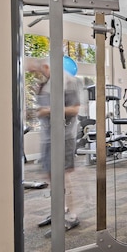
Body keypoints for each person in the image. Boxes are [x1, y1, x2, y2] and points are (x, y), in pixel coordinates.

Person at [26, 57, 82, 236]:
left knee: (63, 175)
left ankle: (72, 216)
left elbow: (74, 109)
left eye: (36, 70)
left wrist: (48, 110)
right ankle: (60, 209)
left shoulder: (68, 81)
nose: (35, 74)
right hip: (49, 136)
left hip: (64, 136)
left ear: (45, 66)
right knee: (51, 176)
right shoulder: (46, 83)